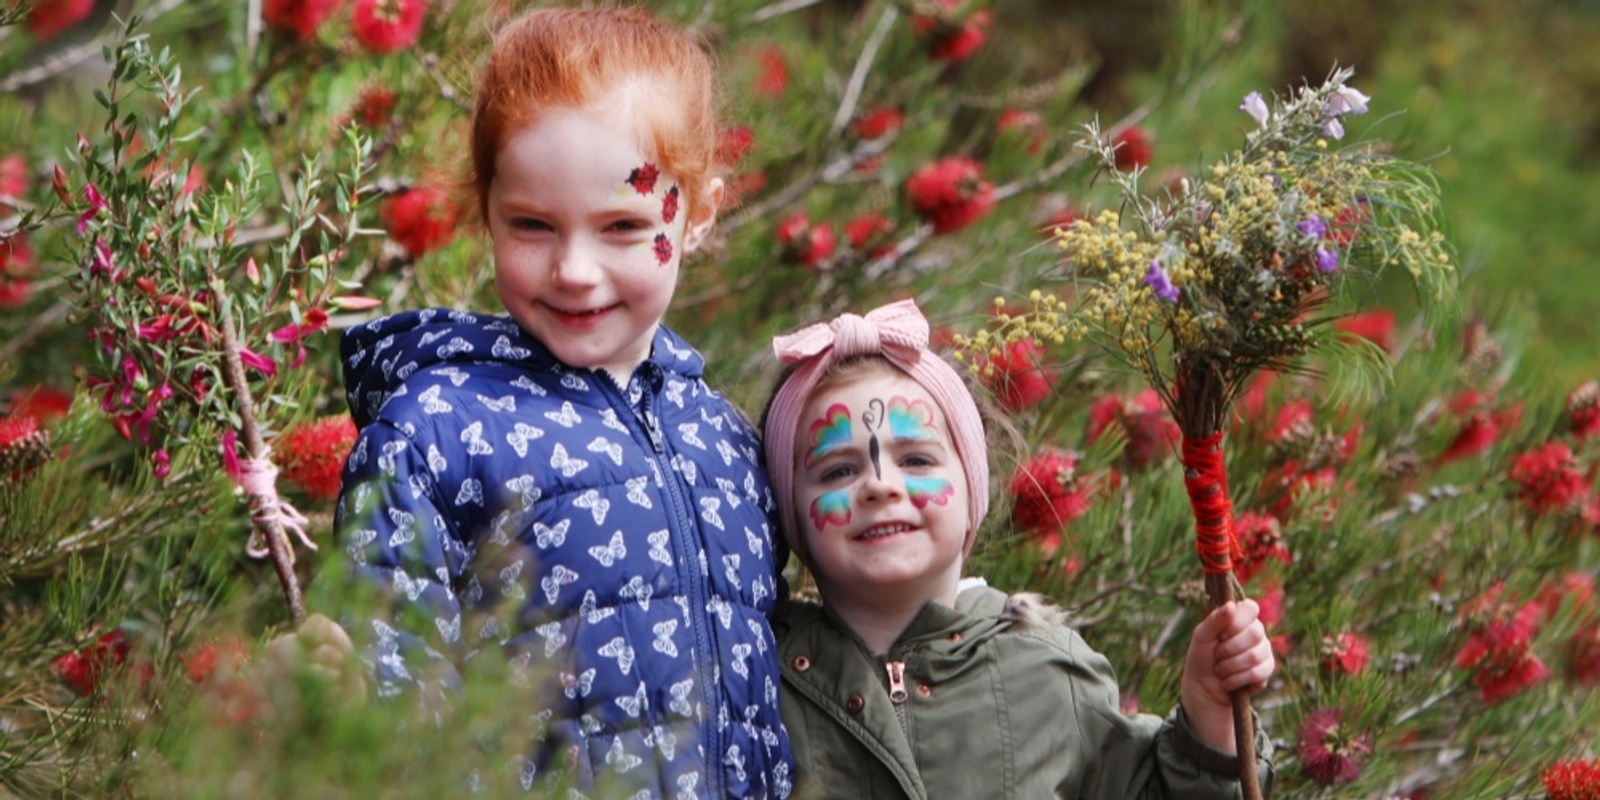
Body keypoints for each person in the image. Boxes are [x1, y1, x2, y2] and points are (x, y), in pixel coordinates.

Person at [333, 8, 791, 797]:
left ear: (699, 216)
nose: (575, 270)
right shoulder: (434, 434)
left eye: (622, 225)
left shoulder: (727, 444)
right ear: (487, 213)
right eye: (534, 225)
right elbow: (395, 722)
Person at [760, 299, 1276, 799]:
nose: (880, 485)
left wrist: (1211, 719)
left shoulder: (1049, 672)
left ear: (972, 491)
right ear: (790, 512)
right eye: (838, 471)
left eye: (916, 460)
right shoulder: (761, 682)